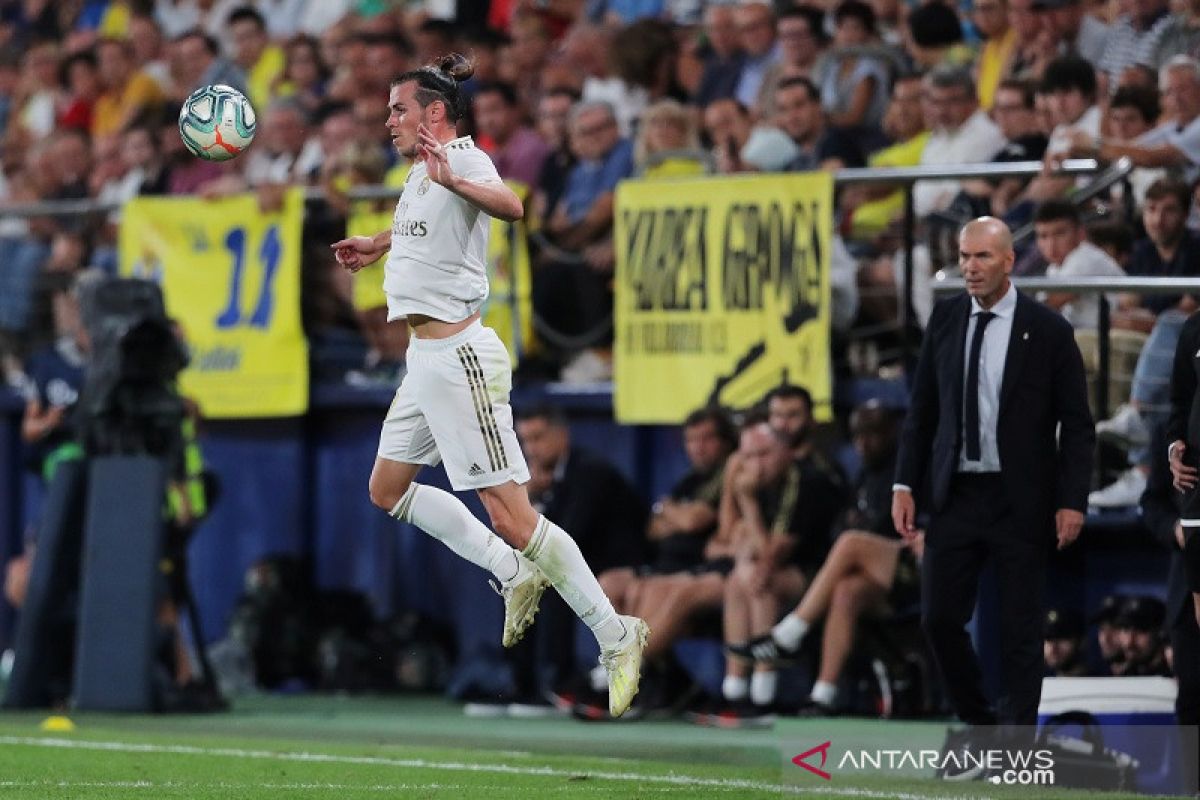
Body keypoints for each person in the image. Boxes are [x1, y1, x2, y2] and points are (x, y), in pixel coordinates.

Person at [329, 54, 648, 718]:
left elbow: (512, 205)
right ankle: (509, 572)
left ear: (435, 113)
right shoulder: (422, 170)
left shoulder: (464, 159)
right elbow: (429, 227)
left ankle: (617, 635)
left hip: (461, 356)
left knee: (511, 515)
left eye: (399, 108)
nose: (388, 119)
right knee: (386, 489)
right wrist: (380, 242)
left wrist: (456, 180)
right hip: (423, 359)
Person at [892, 217, 1094, 764]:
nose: (969, 268)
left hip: (1020, 498)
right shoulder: (946, 317)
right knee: (937, 617)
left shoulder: (1048, 329)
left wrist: (1073, 499)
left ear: (1009, 261)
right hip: (955, 494)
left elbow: (1077, 424)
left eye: (981, 257)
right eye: (964, 257)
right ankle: (982, 724)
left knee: (1021, 629)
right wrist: (905, 482)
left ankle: (1019, 744)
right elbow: (923, 410)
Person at [1042, 608, 1088, 676]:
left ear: (1081, 642)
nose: (1053, 647)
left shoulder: (1101, 683)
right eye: (1049, 639)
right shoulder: (1040, 683)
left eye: (1061, 638)